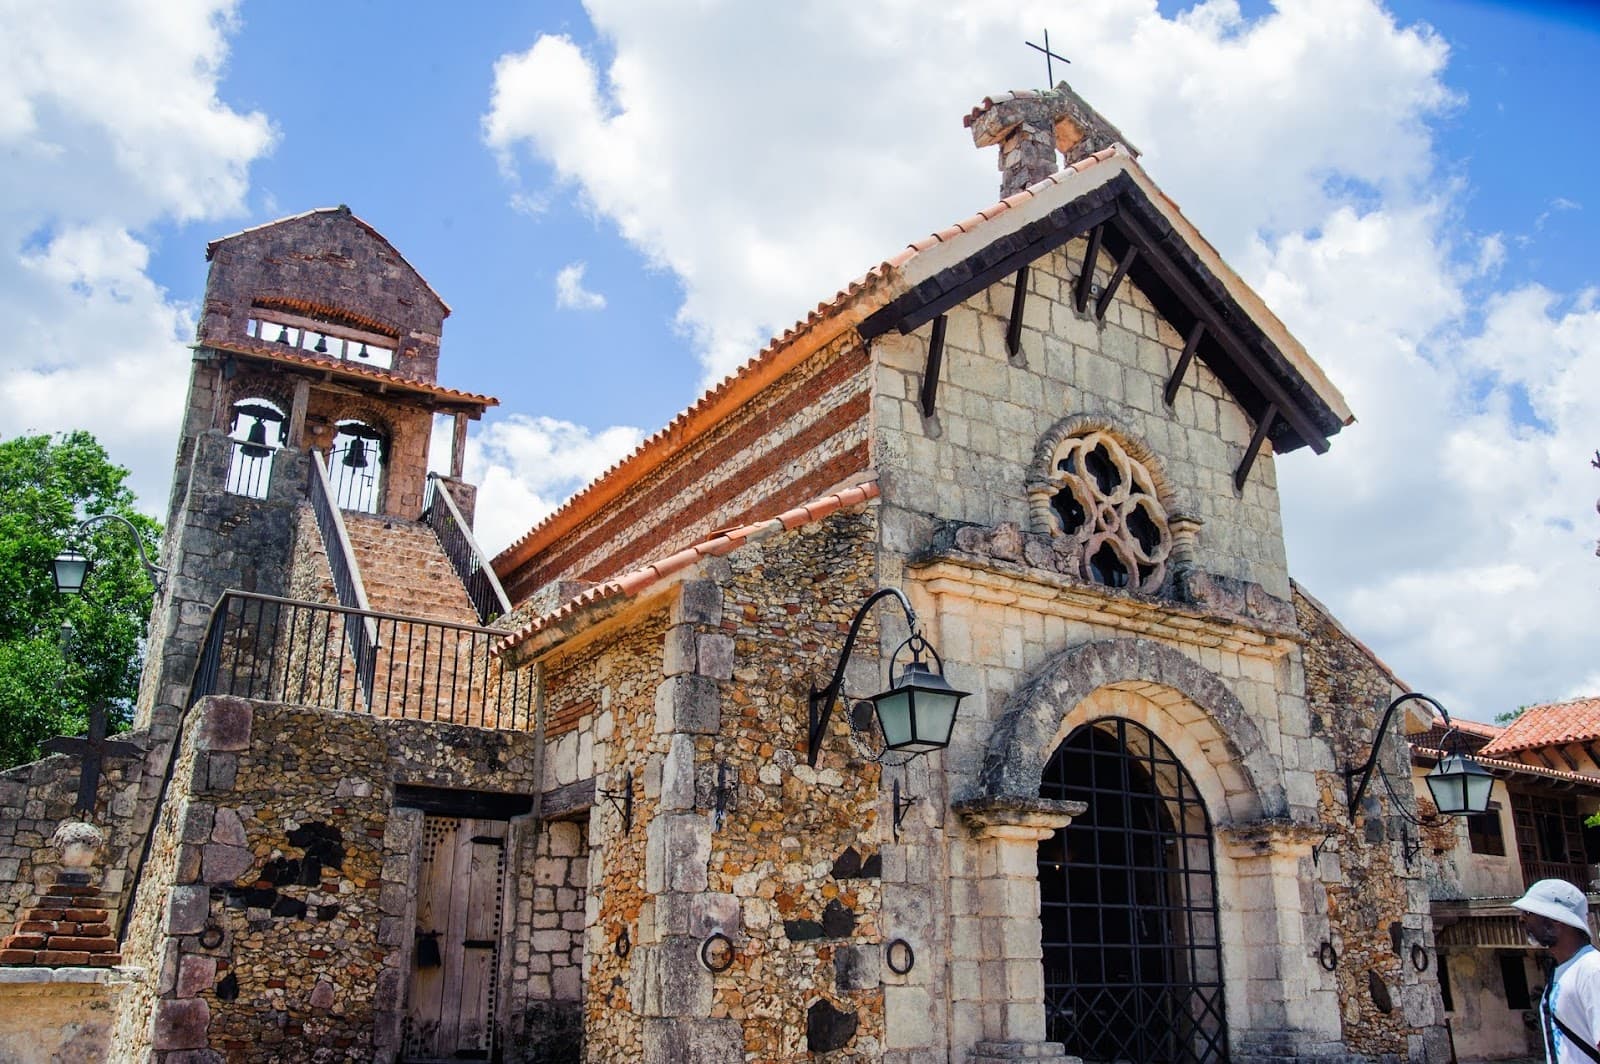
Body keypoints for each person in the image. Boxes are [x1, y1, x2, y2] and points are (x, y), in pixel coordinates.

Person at [1515, 878, 1600, 1064]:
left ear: (1556, 920)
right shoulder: (1563, 972)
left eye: (1529, 913)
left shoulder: (1592, 970)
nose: (1522, 919)